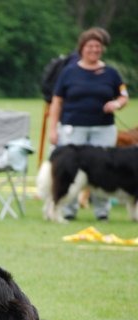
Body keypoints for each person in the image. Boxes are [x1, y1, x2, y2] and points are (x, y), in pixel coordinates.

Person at [48, 27, 129, 221]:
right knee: (70, 169)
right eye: (90, 46)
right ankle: (69, 210)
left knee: (104, 170)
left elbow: (123, 96)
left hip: (103, 129)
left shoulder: (111, 73)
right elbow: (57, 102)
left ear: (102, 49)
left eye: (98, 46)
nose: (94, 50)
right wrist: (53, 129)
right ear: (82, 48)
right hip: (73, 128)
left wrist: (117, 104)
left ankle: (102, 211)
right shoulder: (69, 72)